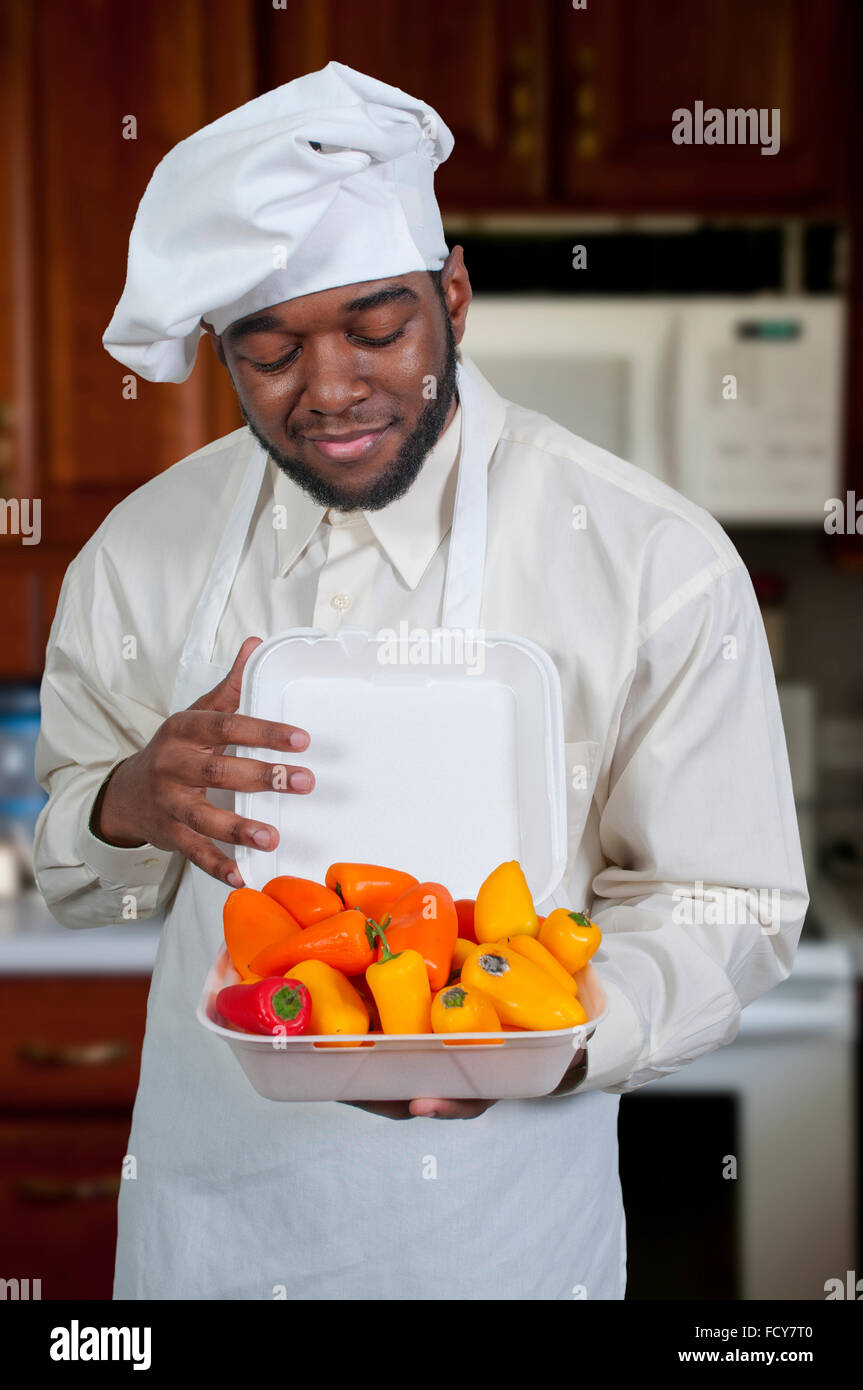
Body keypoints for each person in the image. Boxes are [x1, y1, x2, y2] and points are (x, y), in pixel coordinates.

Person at [33, 62, 808, 1300]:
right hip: (209, 1238)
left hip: (502, 1251)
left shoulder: (647, 556)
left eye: (378, 329)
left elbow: (728, 902)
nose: (330, 390)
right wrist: (126, 799)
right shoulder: (144, 549)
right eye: (271, 351)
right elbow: (77, 882)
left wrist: (533, 1044)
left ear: (453, 293)